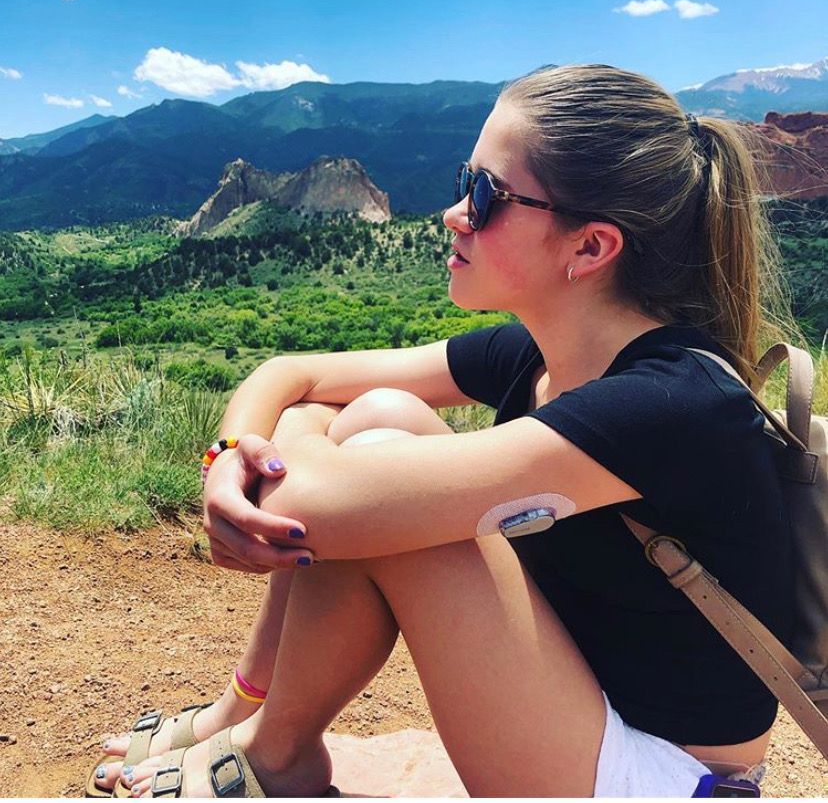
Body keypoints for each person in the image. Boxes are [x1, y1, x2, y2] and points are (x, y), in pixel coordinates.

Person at [92, 63, 796, 797]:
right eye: (468, 179)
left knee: (382, 470)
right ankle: (244, 712)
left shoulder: (669, 403)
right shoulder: (546, 353)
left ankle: (273, 755)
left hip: (667, 777)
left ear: (589, 248)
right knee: (379, 415)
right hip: (589, 713)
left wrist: (287, 462)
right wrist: (234, 452)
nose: (454, 212)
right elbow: (294, 374)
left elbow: (320, 499)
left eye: (487, 194)